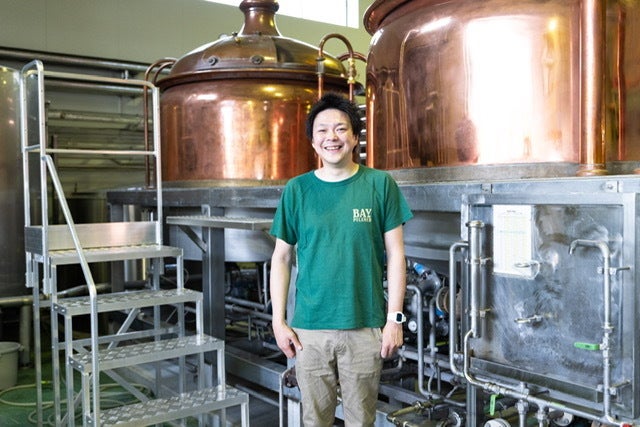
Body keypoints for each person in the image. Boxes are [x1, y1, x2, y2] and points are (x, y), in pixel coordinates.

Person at [269, 92, 413, 426]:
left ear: (354, 137)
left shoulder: (379, 185)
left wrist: (395, 320)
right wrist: (278, 320)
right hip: (309, 330)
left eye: (340, 129)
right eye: (322, 130)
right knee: (314, 419)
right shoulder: (297, 190)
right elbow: (281, 257)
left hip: (364, 326)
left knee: (361, 420)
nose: (331, 137)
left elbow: (396, 255)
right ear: (313, 141)